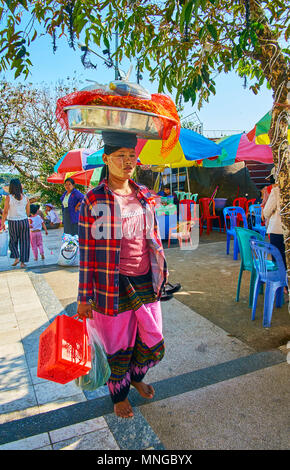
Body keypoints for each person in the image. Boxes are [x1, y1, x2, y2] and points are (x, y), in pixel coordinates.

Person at [77, 131, 167, 419]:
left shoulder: (144, 195)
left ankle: (137, 377)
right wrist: (83, 297)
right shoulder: (93, 200)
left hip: (144, 280)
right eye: (120, 156)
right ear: (106, 159)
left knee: (150, 336)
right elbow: (87, 252)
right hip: (110, 284)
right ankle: (119, 394)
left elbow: (151, 236)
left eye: (131, 155)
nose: (128, 161)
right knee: (118, 344)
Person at [0, 178, 30, 268]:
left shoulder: (9, 198)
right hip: (24, 221)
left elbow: (5, 212)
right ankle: (23, 262)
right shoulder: (26, 198)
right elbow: (27, 212)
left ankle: (16, 257)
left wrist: (2, 223)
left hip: (13, 222)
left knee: (13, 241)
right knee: (25, 242)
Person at [263, 175, 286, 270]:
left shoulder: (277, 191)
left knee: (279, 264)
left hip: (278, 231)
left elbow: (266, 212)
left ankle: (282, 283)